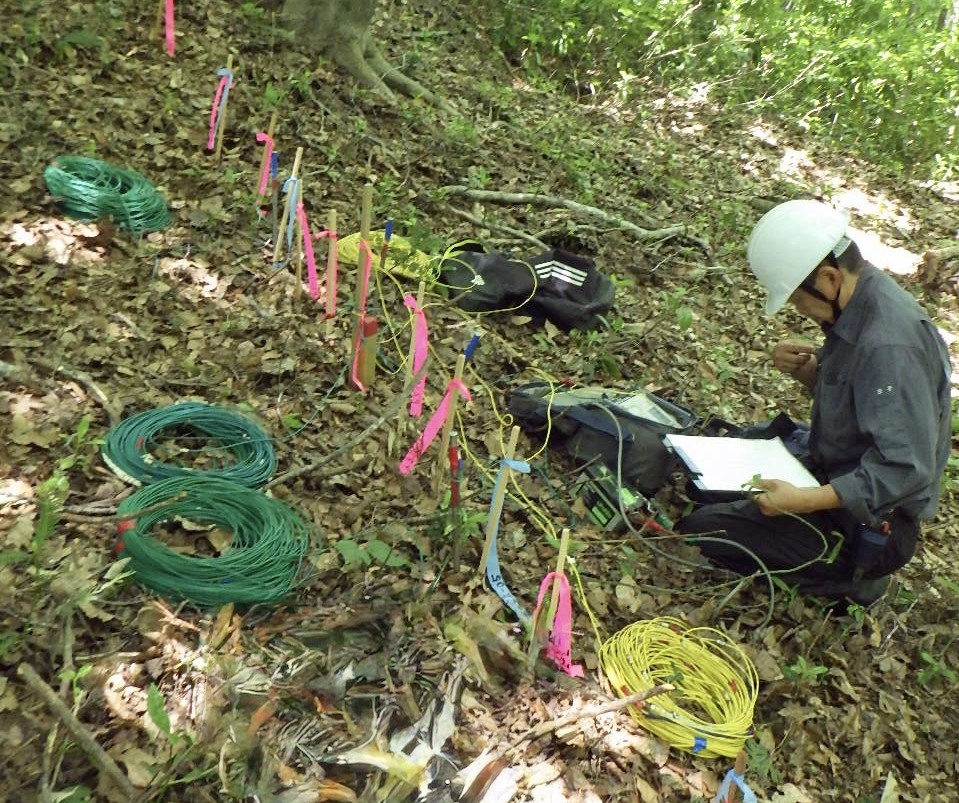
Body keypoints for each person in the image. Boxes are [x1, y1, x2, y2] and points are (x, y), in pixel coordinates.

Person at [679, 200, 953, 605]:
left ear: (828, 278)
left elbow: (903, 470)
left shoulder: (889, 344)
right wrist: (807, 373)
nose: (798, 310)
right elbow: (859, 410)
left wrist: (804, 500)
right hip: (830, 466)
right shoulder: (857, 304)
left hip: (873, 522)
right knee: (701, 479)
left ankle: (854, 579)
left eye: (796, 299)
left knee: (704, 528)